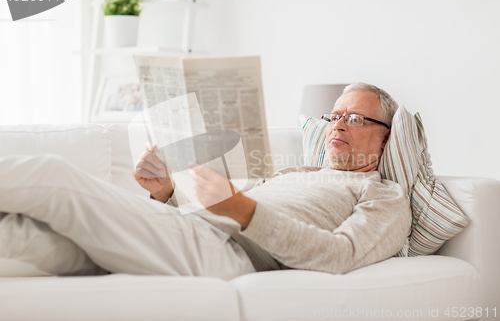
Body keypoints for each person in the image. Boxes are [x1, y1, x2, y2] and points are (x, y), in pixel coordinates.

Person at [0, 82, 411, 279]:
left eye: (354, 118)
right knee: (20, 236)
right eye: (334, 115)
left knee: (53, 174)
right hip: (193, 232)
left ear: (386, 135)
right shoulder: (296, 173)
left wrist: (241, 209)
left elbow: (342, 255)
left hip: (226, 254)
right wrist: (167, 193)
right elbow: (223, 208)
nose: (337, 125)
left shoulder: (382, 193)